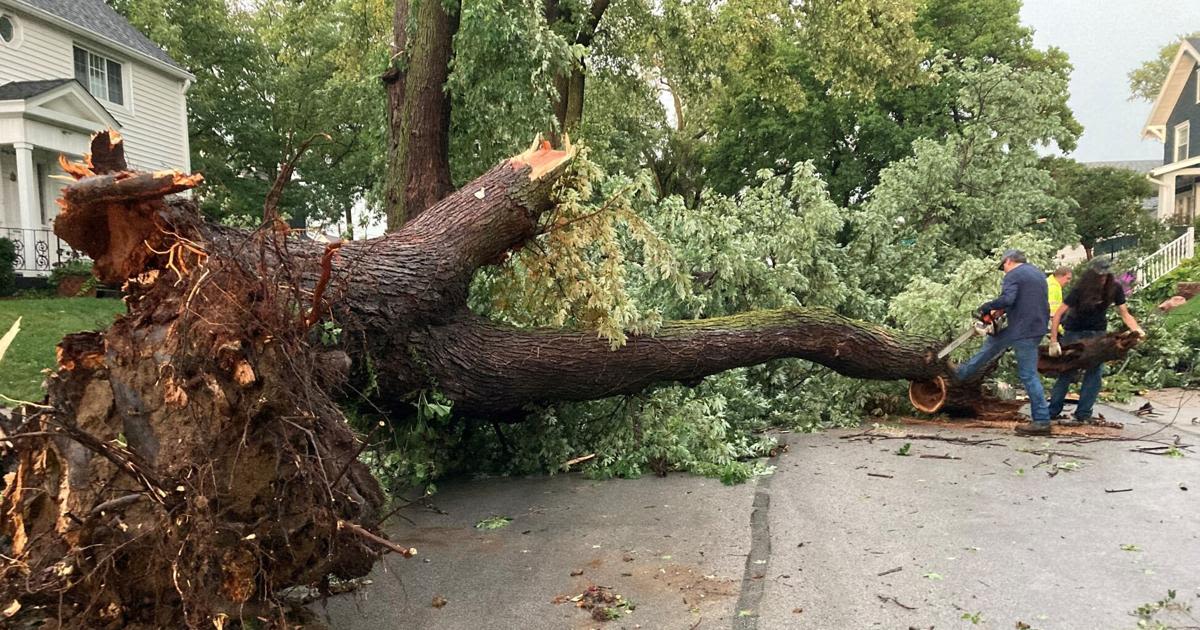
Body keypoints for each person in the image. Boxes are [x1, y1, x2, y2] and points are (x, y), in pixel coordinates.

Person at [956, 249, 1052, 435]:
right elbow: (1022, 302)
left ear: (1009, 261)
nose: (1004, 271)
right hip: (1035, 325)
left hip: (1023, 329)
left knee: (1028, 375)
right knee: (993, 344)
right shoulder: (1038, 274)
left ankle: (1041, 421)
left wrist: (988, 306)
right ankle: (962, 373)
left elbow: (1008, 298)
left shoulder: (1014, 275)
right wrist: (998, 313)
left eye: (1004, 267)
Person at [1045, 258, 1145, 424]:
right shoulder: (1080, 289)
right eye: (1099, 276)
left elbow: (1125, 313)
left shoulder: (1115, 288)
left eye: (1105, 275)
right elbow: (1058, 314)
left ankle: (1083, 414)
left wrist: (1137, 330)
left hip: (1098, 334)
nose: (1102, 279)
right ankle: (1052, 411)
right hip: (1074, 332)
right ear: (1092, 274)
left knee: (1095, 373)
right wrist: (1054, 340)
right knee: (1067, 371)